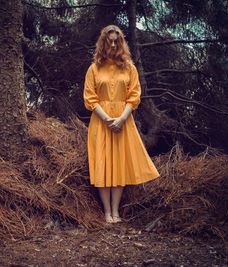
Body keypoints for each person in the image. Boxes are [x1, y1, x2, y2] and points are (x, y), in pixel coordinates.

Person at [83, 25, 159, 223]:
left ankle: (116, 212)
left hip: (123, 122)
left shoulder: (130, 68)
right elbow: (90, 98)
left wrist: (122, 118)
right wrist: (107, 118)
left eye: (117, 41)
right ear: (103, 43)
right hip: (101, 122)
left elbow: (134, 96)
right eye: (110, 41)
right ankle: (107, 213)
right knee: (103, 165)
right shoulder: (94, 68)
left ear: (122, 43)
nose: (114, 44)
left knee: (119, 166)